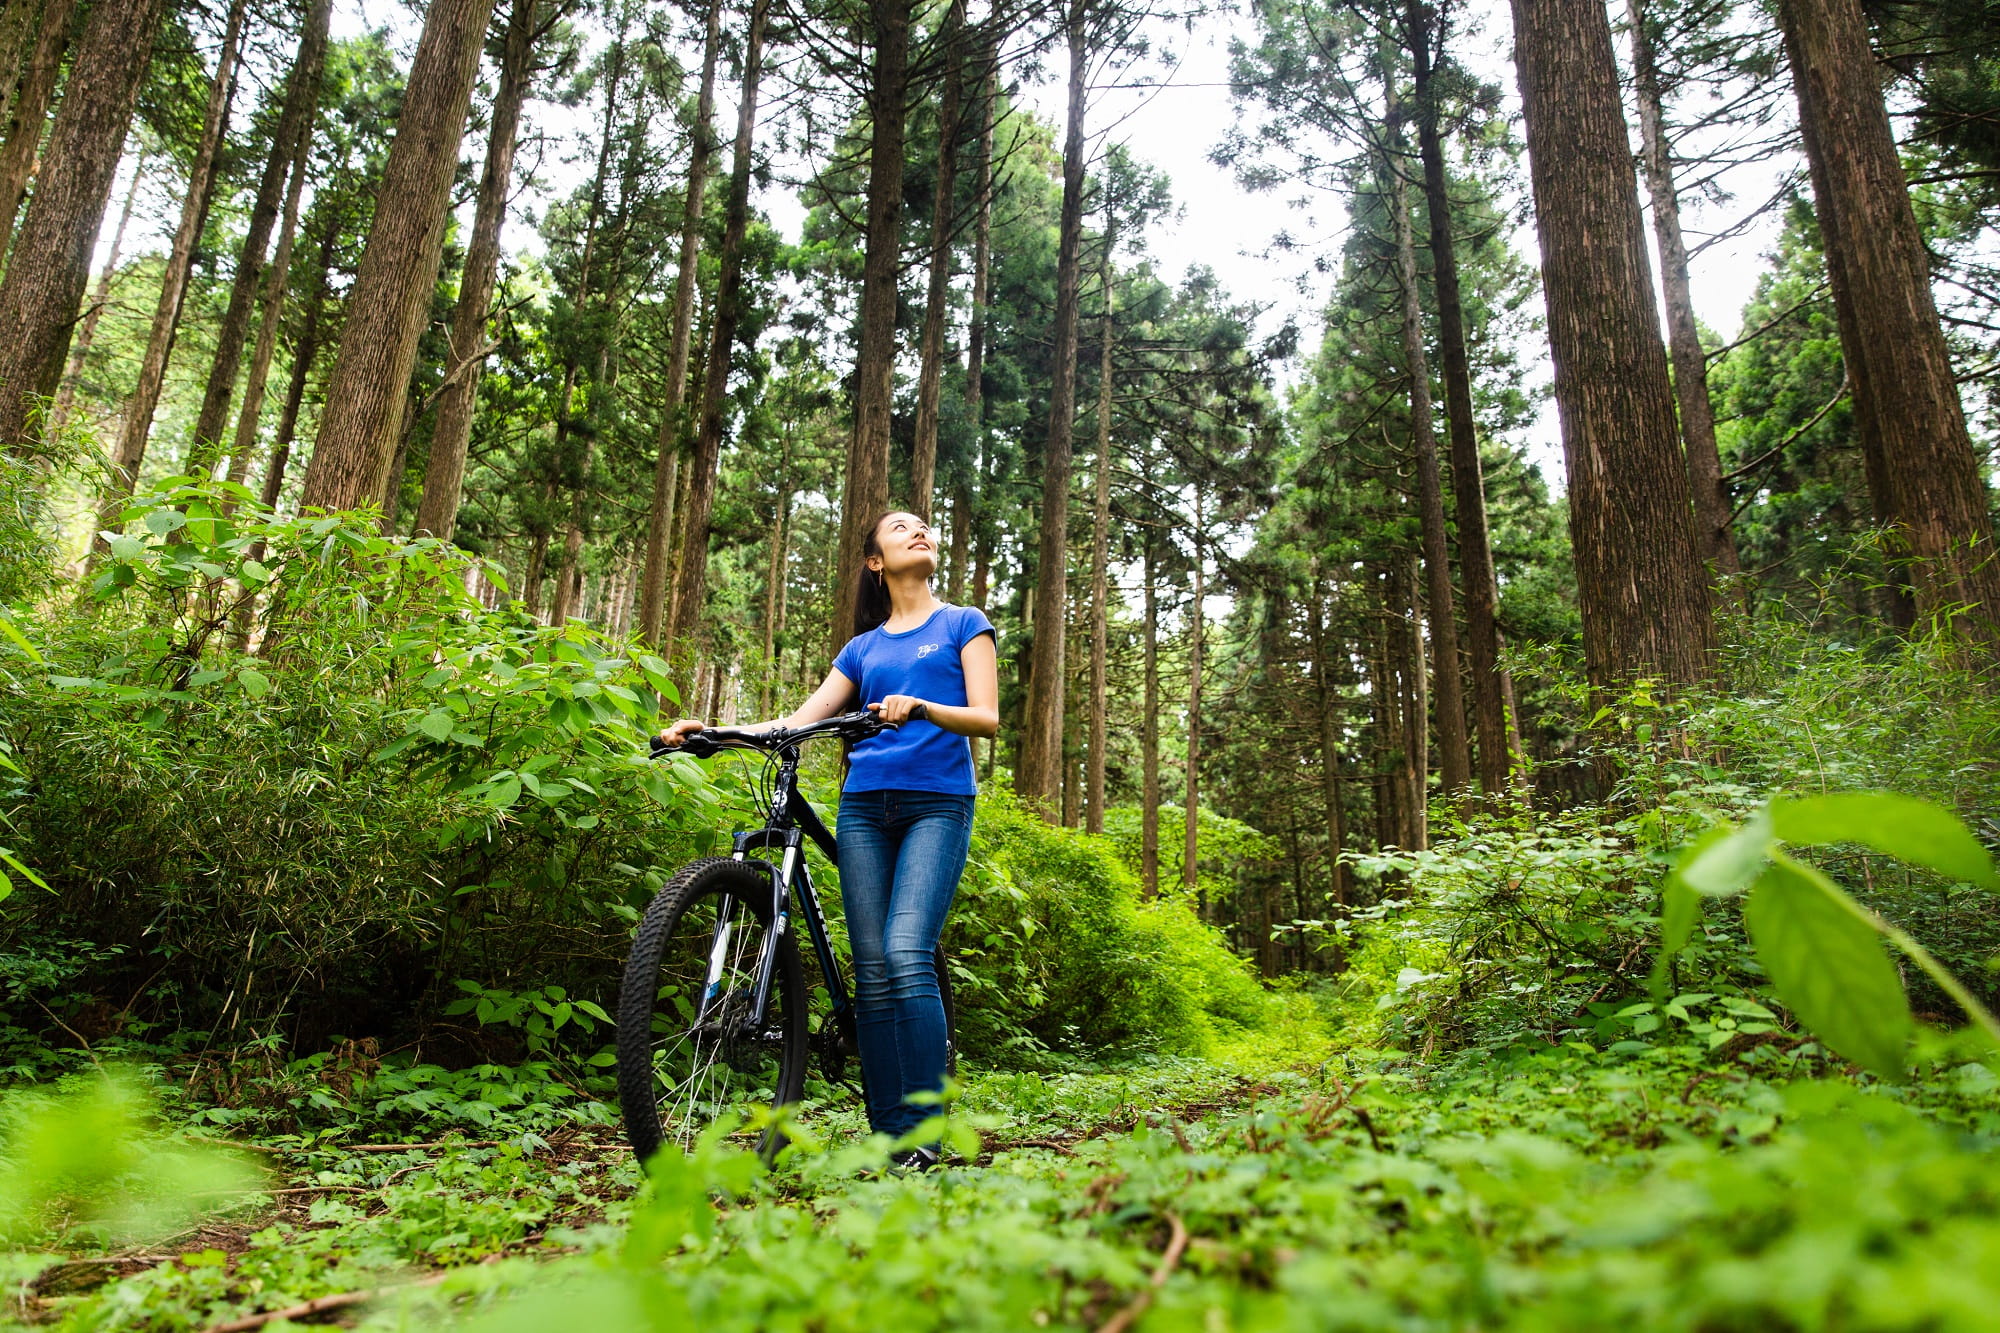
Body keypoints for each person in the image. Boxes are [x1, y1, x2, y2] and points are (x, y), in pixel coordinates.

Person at [657, 510, 999, 1170]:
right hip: (864, 810)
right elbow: (795, 720)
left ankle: (929, 1132)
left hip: (938, 804)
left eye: (924, 526)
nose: (919, 531)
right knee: (871, 973)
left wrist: (920, 707)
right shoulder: (863, 649)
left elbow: (985, 718)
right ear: (875, 560)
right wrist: (713, 733)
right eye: (901, 528)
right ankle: (892, 1137)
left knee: (905, 952)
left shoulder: (963, 623)